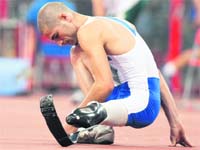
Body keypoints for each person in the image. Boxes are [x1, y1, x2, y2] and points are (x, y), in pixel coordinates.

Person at [38, 2, 192, 147]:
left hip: (138, 105)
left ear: (65, 17)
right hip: (143, 100)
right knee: (77, 53)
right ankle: (98, 126)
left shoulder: (88, 32)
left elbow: (105, 85)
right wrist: (175, 122)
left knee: (82, 111)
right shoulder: (117, 22)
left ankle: (91, 119)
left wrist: (70, 126)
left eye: (56, 36)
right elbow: (155, 73)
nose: (59, 43)